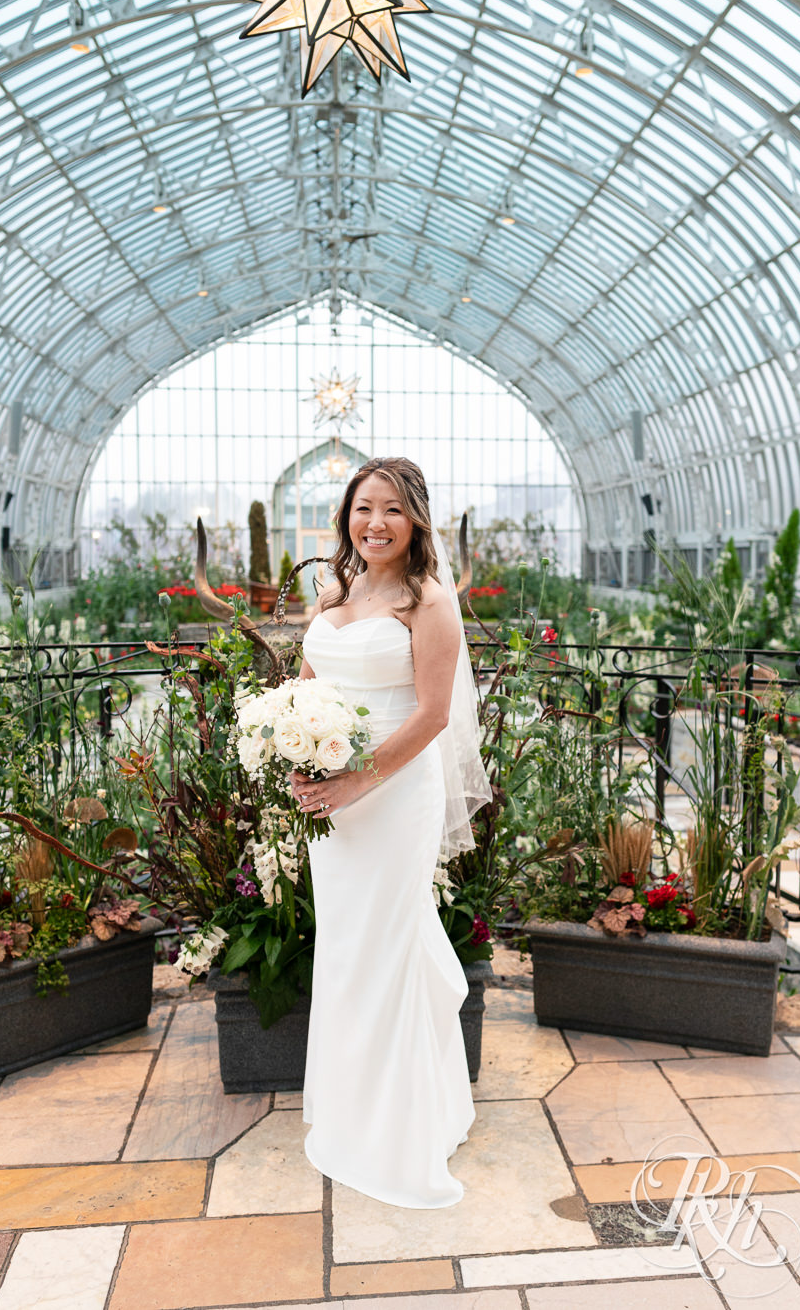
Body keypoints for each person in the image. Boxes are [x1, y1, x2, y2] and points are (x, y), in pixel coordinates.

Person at [290, 455, 490, 1209]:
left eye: (393, 510)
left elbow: (433, 716)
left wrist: (354, 781)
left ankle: (398, 1134)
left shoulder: (428, 600)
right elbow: (310, 682)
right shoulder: (333, 588)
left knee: (388, 947)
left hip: (392, 790)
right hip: (332, 794)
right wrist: (292, 743)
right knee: (345, 950)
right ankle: (348, 1116)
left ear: (417, 523)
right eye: (363, 507)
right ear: (346, 516)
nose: (375, 523)